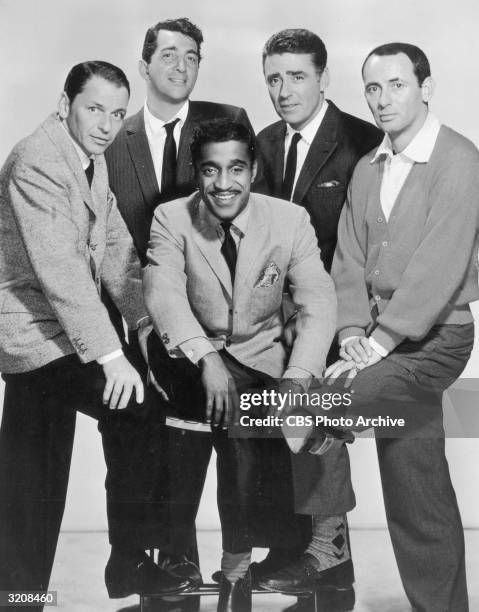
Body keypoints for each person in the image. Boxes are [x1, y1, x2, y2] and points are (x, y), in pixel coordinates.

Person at [262, 43, 479, 612]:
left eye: (397, 85)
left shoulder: (459, 160)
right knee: (417, 487)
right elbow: (349, 262)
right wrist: (353, 330)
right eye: (373, 89)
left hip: (435, 340)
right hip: (378, 342)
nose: (383, 100)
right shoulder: (368, 168)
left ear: (426, 87)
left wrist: (375, 346)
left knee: (315, 408)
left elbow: (441, 265)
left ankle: (327, 547)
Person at [0, 61, 190, 609]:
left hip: (61, 329)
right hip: (33, 334)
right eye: (93, 108)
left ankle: (20, 596)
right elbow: (60, 273)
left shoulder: (88, 158)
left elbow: (115, 253)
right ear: (66, 105)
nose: (106, 124)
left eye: (114, 112)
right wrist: (113, 356)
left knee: (31, 471)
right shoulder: (37, 160)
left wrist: (147, 326)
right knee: (133, 409)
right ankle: (126, 561)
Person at [143, 117, 337, 612]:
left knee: (247, 431)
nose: (223, 184)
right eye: (211, 170)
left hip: (259, 356)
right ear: (196, 171)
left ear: (252, 170)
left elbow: (318, 302)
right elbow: (163, 295)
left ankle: (236, 571)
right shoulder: (171, 217)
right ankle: (188, 564)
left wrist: (298, 379)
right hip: (191, 353)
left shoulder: (289, 220)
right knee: (196, 434)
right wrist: (205, 356)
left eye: (235, 169)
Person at [104, 19, 253, 590]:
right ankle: (169, 564)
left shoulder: (227, 122)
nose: (180, 65)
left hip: (218, 319)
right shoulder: (113, 139)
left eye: (192, 55)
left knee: (219, 434)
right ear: (144, 66)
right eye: (168, 54)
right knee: (152, 438)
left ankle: (234, 562)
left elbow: (248, 213)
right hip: (139, 318)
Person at [253, 28, 381, 610]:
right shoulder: (263, 142)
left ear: (323, 77)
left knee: (314, 420)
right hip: (280, 320)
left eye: (296, 75)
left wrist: (362, 330)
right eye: (274, 77)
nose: (283, 89)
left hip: (348, 320)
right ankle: (316, 558)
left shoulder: (363, 141)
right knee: (276, 428)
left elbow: (375, 245)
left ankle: (325, 549)